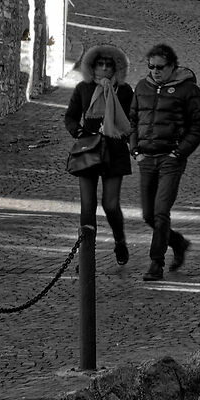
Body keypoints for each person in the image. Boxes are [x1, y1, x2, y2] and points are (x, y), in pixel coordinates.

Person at [130, 42, 200, 282]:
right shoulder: (142, 87)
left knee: (161, 212)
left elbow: (197, 126)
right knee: (148, 215)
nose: (155, 71)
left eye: (160, 67)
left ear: (172, 67)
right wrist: (135, 151)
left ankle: (156, 263)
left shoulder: (187, 91)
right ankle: (178, 243)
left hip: (170, 160)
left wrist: (179, 152)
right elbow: (131, 121)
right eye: (151, 66)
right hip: (146, 159)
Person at [63, 45, 135, 264]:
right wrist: (79, 131)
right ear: (91, 66)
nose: (104, 69)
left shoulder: (124, 91)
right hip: (90, 148)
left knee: (111, 204)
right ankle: (86, 259)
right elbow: (71, 117)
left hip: (114, 149)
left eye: (109, 65)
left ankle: (120, 240)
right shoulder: (83, 88)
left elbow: (132, 119)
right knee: (87, 206)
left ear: (117, 68)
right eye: (100, 64)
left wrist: (122, 134)